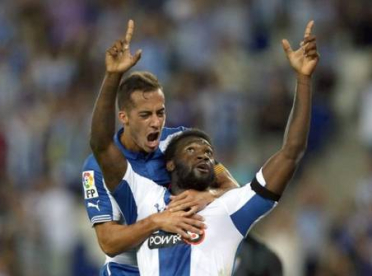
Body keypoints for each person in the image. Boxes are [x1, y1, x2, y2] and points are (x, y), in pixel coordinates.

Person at [90, 18, 319, 275]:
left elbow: (291, 152)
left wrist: (303, 78)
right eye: (191, 150)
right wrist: (112, 76)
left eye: (209, 153)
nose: (203, 155)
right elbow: (101, 146)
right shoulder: (147, 199)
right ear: (170, 163)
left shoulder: (230, 208)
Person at [82, 21, 238, 275]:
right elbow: (108, 242)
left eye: (160, 112)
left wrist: (207, 196)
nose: (156, 122)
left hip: (174, 262)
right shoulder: (97, 167)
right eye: (145, 115)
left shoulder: (180, 142)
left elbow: (231, 187)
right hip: (127, 269)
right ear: (124, 117)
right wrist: (156, 222)